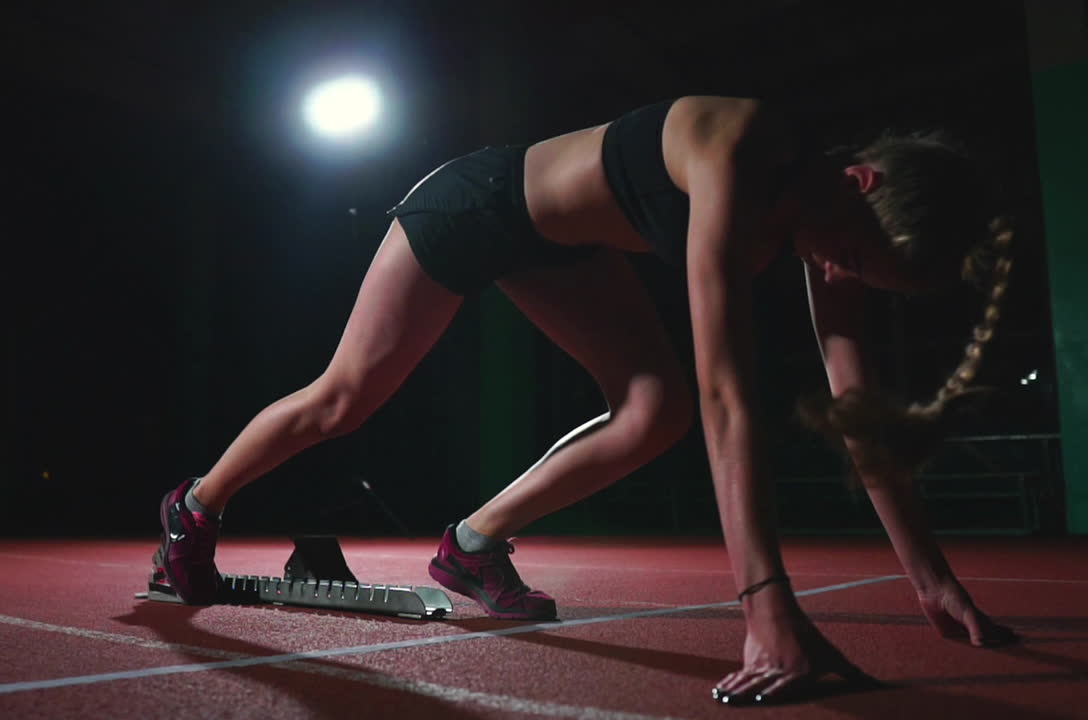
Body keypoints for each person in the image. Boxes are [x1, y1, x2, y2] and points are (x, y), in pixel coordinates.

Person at [154, 95, 1017, 703]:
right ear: (859, 183)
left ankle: (470, 546)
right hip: (473, 205)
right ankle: (195, 508)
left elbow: (857, 410)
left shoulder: (832, 224)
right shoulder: (741, 148)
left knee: (653, 409)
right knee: (345, 400)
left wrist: (931, 580)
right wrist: (766, 609)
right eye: (854, 263)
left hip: (557, 247)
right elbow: (729, 392)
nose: (838, 278)